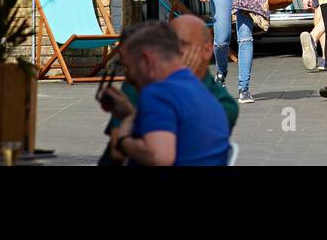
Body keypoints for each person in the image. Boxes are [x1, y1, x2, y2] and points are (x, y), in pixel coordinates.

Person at [100, 15, 238, 166]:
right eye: (170, 45)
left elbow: (159, 156)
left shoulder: (155, 91)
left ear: (207, 50)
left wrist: (123, 139)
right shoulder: (205, 95)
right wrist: (131, 115)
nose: (175, 52)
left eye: (182, 45)